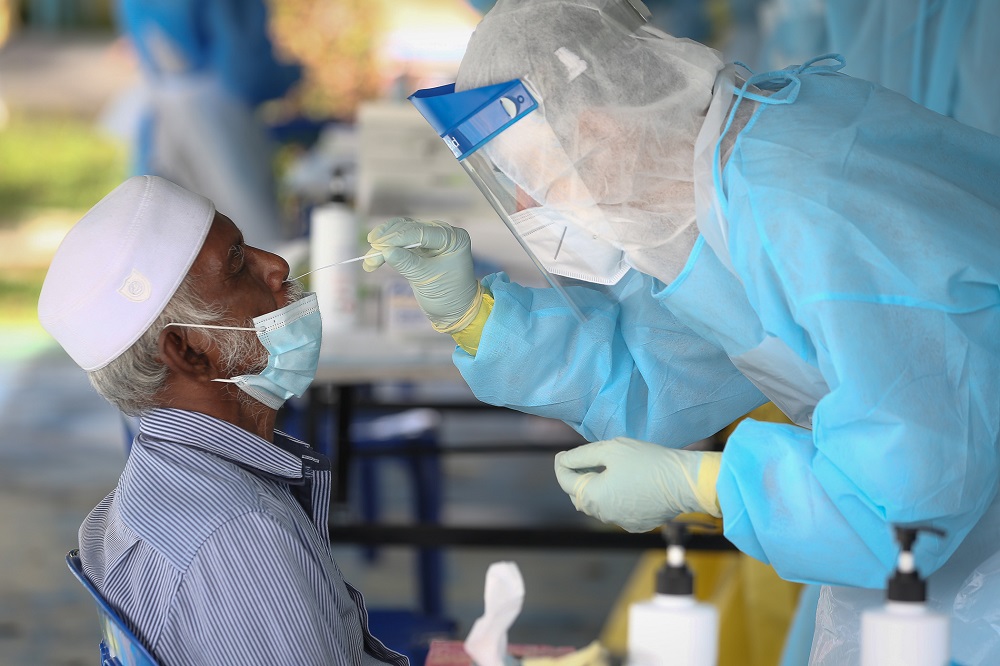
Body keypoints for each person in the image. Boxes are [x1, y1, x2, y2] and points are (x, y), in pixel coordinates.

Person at [361, 0, 1000, 663]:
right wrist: (472, 316)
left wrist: (700, 485)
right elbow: (656, 373)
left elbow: (906, 494)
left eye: (525, 177)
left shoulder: (803, 212)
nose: (526, 208)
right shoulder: (719, 190)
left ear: (598, 130)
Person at [37, 175, 406, 666]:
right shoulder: (242, 534)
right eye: (237, 264)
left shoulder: (157, 477)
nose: (276, 265)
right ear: (188, 350)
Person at [112, 0, 301, 252]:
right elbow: (245, 70)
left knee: (172, 246)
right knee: (257, 240)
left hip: (162, 114)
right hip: (218, 118)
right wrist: (294, 75)